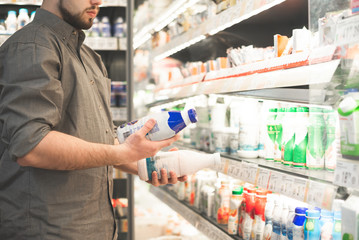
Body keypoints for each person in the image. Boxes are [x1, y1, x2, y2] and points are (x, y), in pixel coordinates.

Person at [0, 0, 186, 239]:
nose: (98, 1)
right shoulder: (32, 47)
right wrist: (124, 153)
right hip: (48, 230)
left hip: (94, 227)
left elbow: (98, 139)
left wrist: (144, 163)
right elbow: (31, 146)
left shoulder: (90, 57)